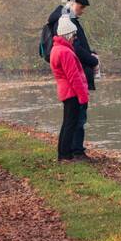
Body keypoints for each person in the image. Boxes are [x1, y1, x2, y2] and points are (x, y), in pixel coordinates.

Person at [44, 0, 98, 155]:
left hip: (70, 87)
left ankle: (67, 153)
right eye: (81, 7)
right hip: (73, 89)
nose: (82, 11)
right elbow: (74, 63)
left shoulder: (64, 23)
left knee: (71, 120)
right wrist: (93, 60)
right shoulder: (65, 23)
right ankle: (74, 152)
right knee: (75, 120)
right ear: (72, 4)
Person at [50, 14, 90, 161]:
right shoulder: (65, 52)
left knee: (67, 123)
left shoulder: (56, 49)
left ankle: (62, 154)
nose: (75, 38)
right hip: (71, 92)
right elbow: (74, 77)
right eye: (73, 35)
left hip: (65, 91)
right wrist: (83, 97)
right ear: (67, 35)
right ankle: (66, 156)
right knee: (70, 124)